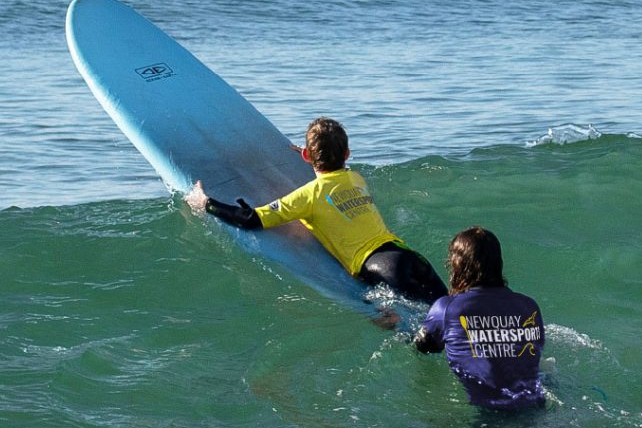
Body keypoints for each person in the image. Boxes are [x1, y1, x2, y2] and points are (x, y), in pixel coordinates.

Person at [185, 117, 448, 304]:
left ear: (307, 157)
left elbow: (251, 219)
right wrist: (311, 152)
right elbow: (335, 166)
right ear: (347, 154)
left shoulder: (309, 196)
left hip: (377, 267)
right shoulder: (356, 179)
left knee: (429, 333)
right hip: (407, 255)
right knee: (457, 317)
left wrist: (205, 203)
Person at [415, 226, 546, 411]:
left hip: (490, 413)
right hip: (535, 408)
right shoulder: (529, 307)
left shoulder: (447, 308)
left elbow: (424, 347)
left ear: (457, 265)